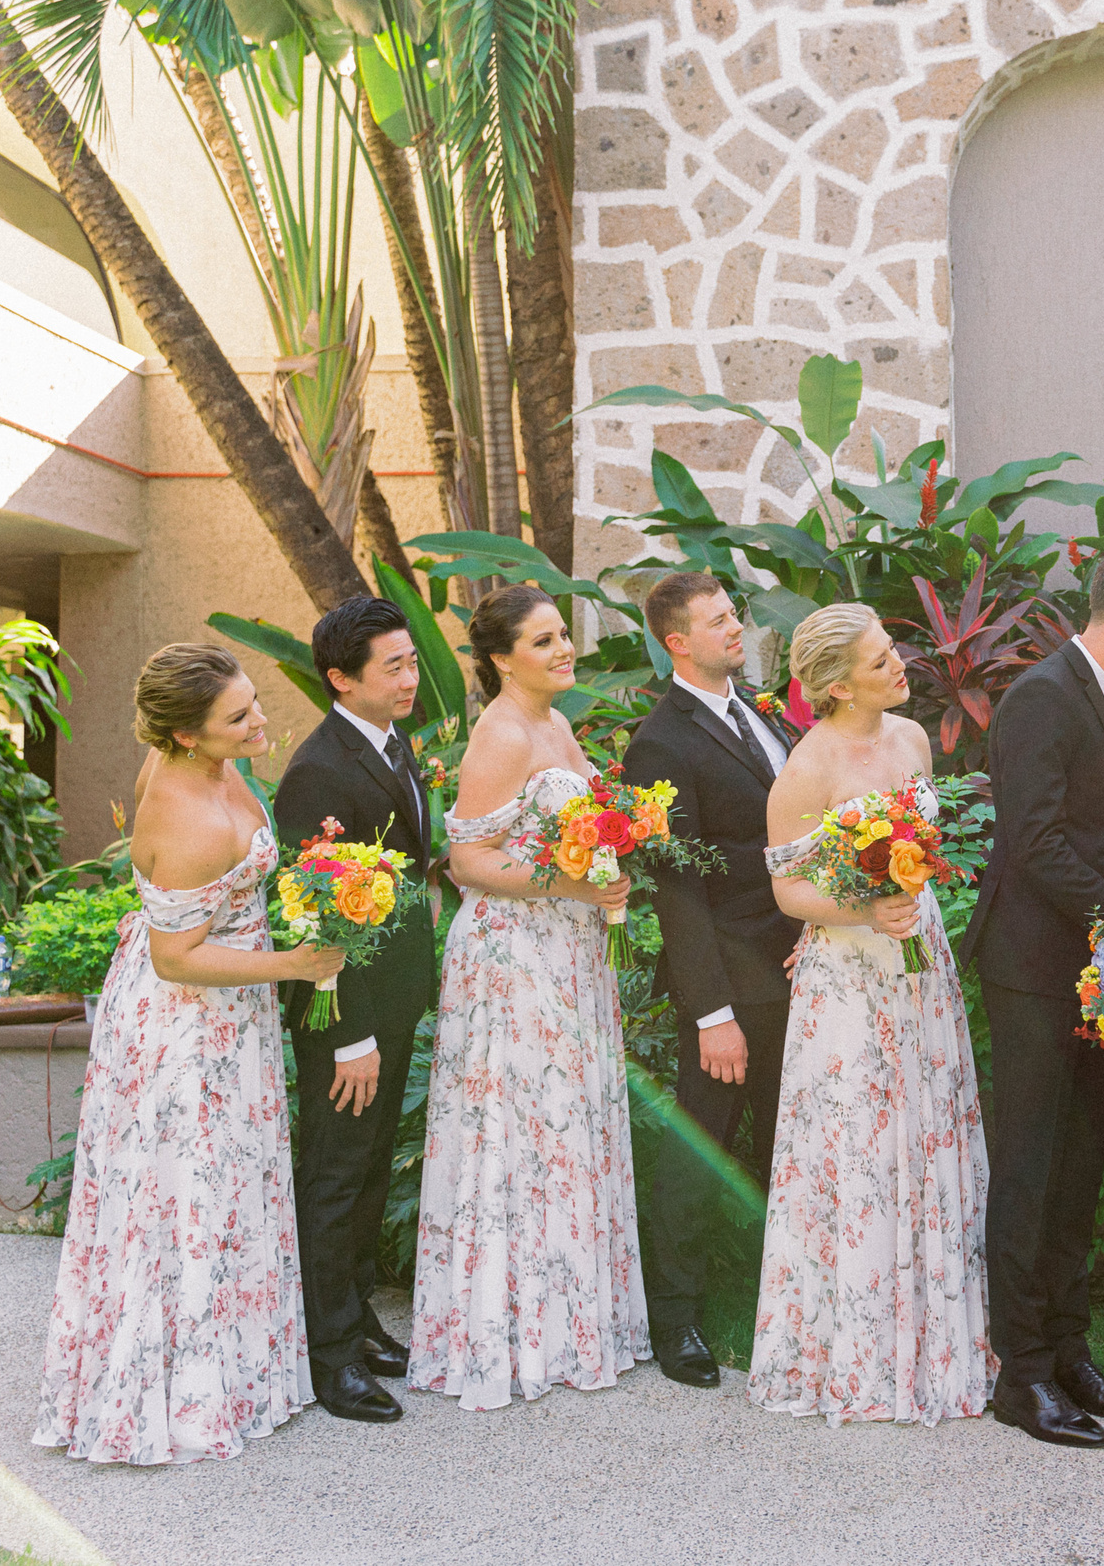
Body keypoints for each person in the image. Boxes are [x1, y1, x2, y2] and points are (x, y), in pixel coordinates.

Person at [33, 645, 335, 1464]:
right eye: (237, 717)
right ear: (184, 734)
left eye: (253, 702)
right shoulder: (186, 813)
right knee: (182, 1193)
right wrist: (295, 965)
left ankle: (241, 1374)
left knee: (231, 1185)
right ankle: (172, 1394)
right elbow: (176, 957)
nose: (259, 721)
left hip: (230, 1016)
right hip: (183, 1027)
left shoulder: (203, 761)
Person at [963, 545, 1104, 1449]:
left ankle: (1064, 1345)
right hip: (1032, 965)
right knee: (1030, 1166)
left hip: (1097, 972)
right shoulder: (1042, 697)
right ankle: (1019, 1372)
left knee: (1078, 1162)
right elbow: (1035, 837)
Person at [750, 603, 992, 1424]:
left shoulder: (913, 740)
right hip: (848, 978)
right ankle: (851, 1351)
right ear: (834, 683)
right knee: (857, 1146)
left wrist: (905, 903)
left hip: (920, 963)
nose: (901, 664)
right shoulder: (808, 767)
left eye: (894, 650)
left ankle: (935, 1340)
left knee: (926, 1135)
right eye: (883, 657)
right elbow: (786, 887)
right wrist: (861, 913)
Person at [407, 585, 647, 1409]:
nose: (562, 649)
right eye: (543, 641)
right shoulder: (502, 733)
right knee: (518, 1130)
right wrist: (577, 884)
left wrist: (605, 868)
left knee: (564, 1123)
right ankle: (505, 1328)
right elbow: (468, 863)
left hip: (569, 949)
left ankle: (571, 1317)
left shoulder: (559, 725)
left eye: (562, 635)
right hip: (513, 959)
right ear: (501, 658)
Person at [623, 572, 798, 1389]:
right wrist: (712, 1011)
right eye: (718, 620)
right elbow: (676, 885)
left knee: (788, 1146)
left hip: (800, 967)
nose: (736, 627)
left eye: (735, 613)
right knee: (701, 1150)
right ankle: (676, 1320)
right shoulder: (660, 742)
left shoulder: (763, 714)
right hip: (730, 981)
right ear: (676, 641)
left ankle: (792, 1302)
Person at [270, 597, 437, 1426]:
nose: (412, 676)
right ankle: (327, 1354)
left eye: (412, 660)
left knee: (369, 1169)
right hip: (345, 1017)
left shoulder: (391, 742)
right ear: (341, 678)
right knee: (335, 1175)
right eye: (395, 666)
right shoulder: (317, 770)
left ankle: (356, 1316)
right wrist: (353, 1037)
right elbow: (315, 915)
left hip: (394, 996)